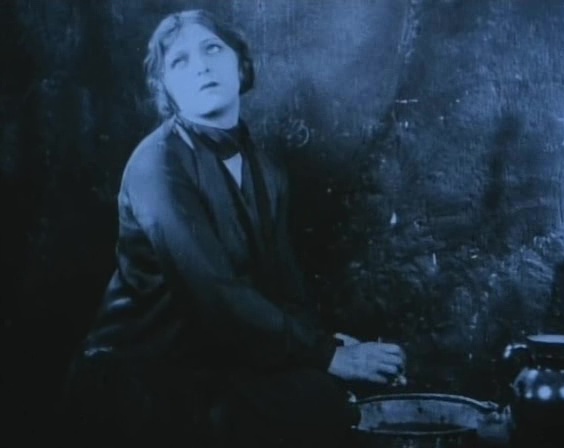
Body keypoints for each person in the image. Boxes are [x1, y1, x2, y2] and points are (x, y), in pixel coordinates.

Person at [60, 9, 406, 448]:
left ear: (240, 66)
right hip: (139, 375)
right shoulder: (157, 164)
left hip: (218, 363)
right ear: (166, 88)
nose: (201, 66)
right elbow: (212, 289)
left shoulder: (266, 169)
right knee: (315, 406)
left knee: (331, 401)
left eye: (212, 49)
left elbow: (284, 285)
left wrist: (330, 347)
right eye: (180, 61)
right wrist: (325, 355)